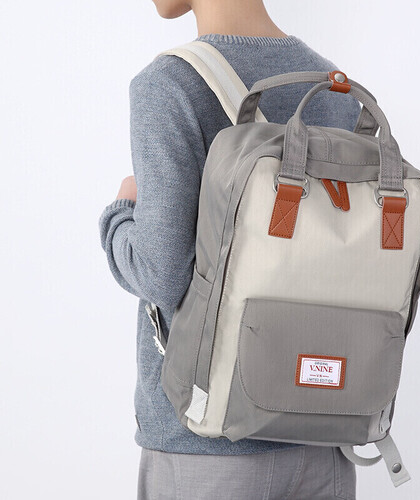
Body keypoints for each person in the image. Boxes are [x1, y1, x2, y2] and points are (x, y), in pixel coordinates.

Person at [99, 0, 360, 498]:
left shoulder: (169, 85)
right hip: (323, 436)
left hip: (208, 444)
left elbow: (162, 274)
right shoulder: (335, 87)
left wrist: (121, 214)